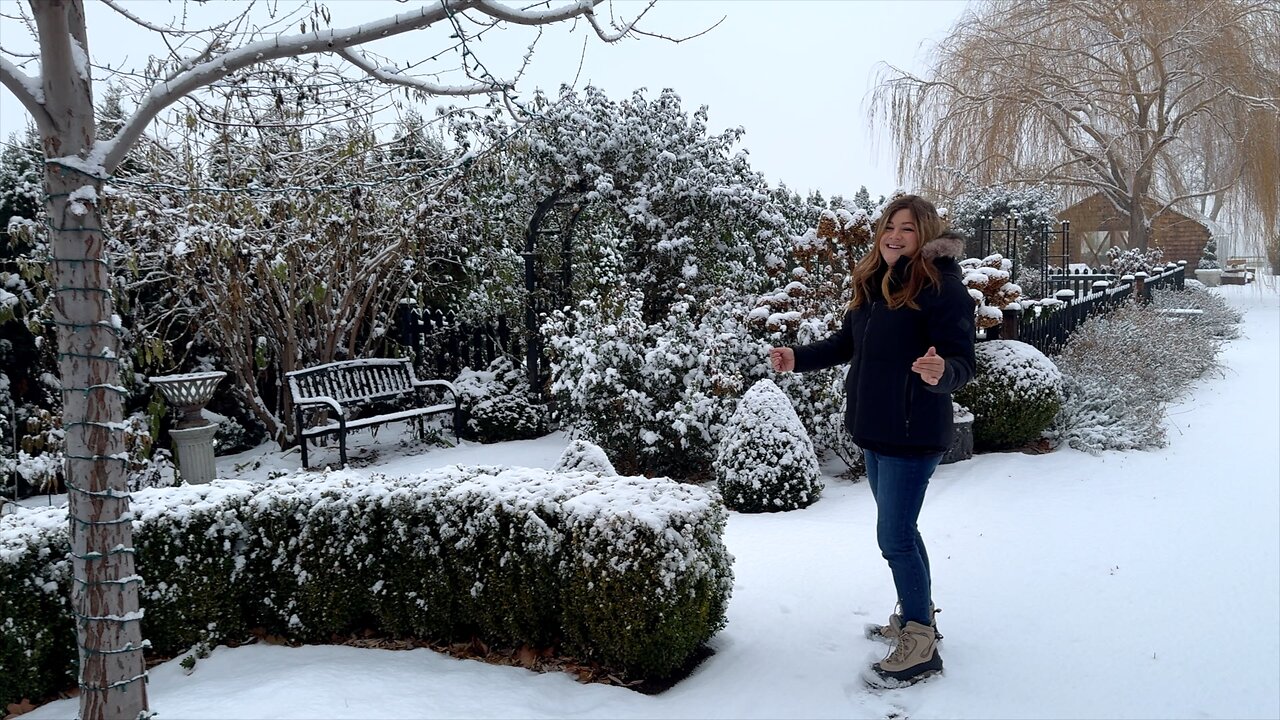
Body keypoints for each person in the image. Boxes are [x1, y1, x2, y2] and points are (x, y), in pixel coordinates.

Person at [768, 194, 975, 687]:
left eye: (907, 229)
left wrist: (943, 371)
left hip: (912, 431)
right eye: (889, 227)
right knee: (903, 532)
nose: (895, 236)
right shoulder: (875, 285)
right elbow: (847, 346)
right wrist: (797, 357)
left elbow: (963, 361)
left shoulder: (943, 289)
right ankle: (917, 618)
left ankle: (920, 644)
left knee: (895, 537)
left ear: (924, 236)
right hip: (875, 430)